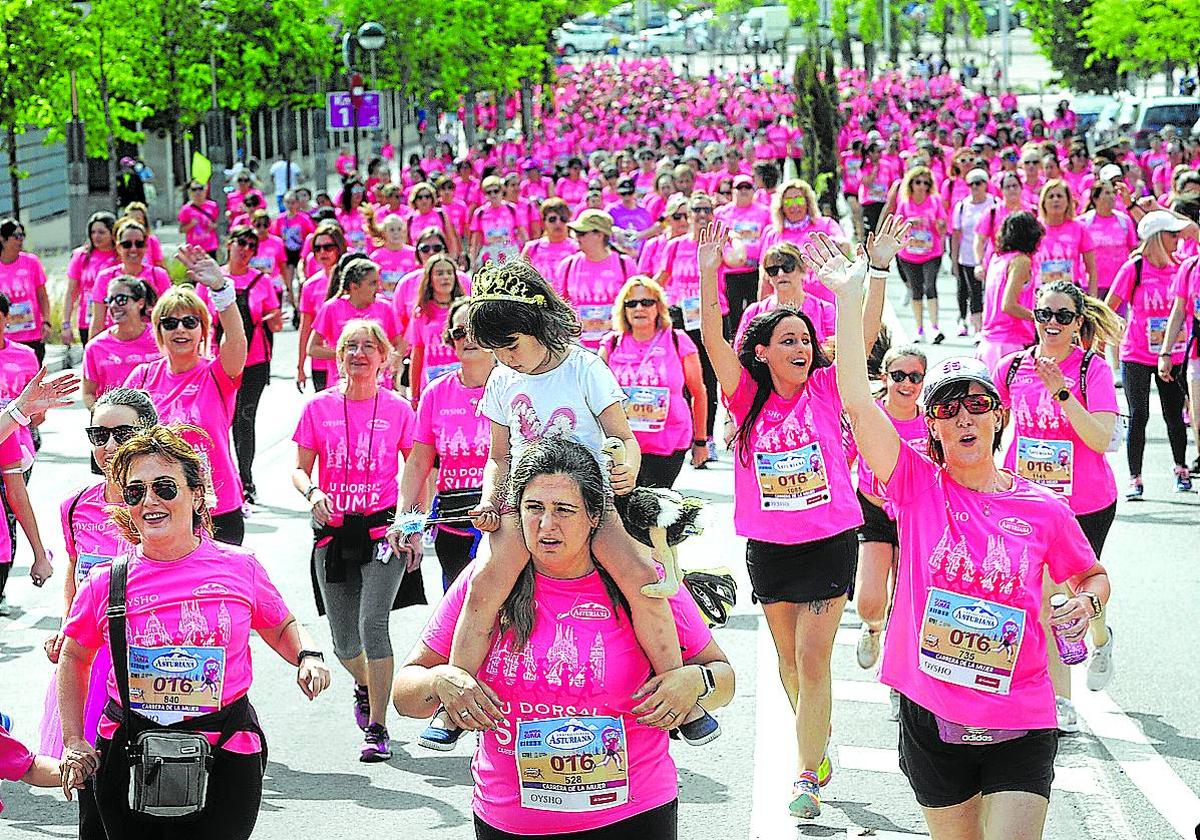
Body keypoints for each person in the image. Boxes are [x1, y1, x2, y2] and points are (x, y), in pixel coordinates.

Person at [808, 237, 1111, 840]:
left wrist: (1087, 602)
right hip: (933, 713)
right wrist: (850, 298)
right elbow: (855, 400)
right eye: (949, 409)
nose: (965, 416)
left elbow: (1091, 574)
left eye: (978, 404)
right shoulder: (915, 484)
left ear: (998, 416)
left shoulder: (1043, 507)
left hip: (1021, 713)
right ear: (933, 425)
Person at [422, 259, 716, 751]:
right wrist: (492, 501)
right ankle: (456, 699)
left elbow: (623, 436)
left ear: (538, 324)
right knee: (483, 581)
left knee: (644, 580)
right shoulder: (500, 379)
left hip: (590, 504)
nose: (506, 359)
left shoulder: (585, 367)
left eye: (511, 346)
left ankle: (681, 697)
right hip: (525, 505)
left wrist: (623, 464)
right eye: (496, 351)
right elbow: (498, 455)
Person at [391, 436, 734, 839]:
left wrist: (696, 682)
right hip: (512, 822)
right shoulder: (486, 586)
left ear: (594, 516)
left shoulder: (643, 585)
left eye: (564, 511)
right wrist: (441, 682)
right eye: (533, 508)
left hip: (633, 817)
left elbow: (723, 679)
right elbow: (404, 695)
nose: (546, 524)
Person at [696, 216, 901, 819]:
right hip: (769, 546)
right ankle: (817, 737)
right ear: (762, 351)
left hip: (830, 539)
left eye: (806, 340)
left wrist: (868, 278)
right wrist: (711, 276)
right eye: (787, 340)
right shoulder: (746, 396)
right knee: (788, 664)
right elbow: (712, 339)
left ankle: (806, 773)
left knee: (814, 659)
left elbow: (862, 340)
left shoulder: (830, 388)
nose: (801, 348)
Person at [57, 425, 331, 839]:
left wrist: (308, 656)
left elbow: (282, 624)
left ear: (196, 494)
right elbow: (74, 655)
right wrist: (74, 741)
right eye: (135, 492)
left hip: (227, 750)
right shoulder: (104, 582)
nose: (149, 500)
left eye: (165, 487)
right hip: (129, 752)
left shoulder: (240, 567)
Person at [994, 280, 1125, 731]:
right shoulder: (1012, 368)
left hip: (1085, 503)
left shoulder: (1091, 370)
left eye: (1062, 316)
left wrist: (1063, 393)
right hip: (1031, 504)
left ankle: (1102, 635)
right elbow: (995, 425)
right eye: (1044, 314)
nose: (1051, 324)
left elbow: (1101, 439)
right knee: (1047, 598)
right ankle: (1060, 701)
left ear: (1078, 323)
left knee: (1078, 594)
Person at [293, 319, 416, 762]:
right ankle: (364, 684)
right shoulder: (318, 408)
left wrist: (413, 524)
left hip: (384, 532)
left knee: (373, 624)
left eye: (369, 346)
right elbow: (299, 468)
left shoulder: (401, 409)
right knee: (345, 642)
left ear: (385, 357)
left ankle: (378, 728)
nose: (359, 353)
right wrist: (313, 492)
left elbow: (420, 471)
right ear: (339, 356)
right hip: (333, 534)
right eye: (350, 346)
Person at [39, 388, 157, 782]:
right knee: (92, 772)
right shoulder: (74, 505)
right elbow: (75, 571)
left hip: (149, 658)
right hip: (90, 657)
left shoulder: (166, 504)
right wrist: (64, 630)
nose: (108, 445)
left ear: (148, 434)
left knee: (148, 775)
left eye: (121, 434)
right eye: (98, 435)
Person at [124, 247, 249, 544]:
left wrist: (220, 289)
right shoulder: (141, 378)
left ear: (203, 330)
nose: (180, 329)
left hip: (215, 507)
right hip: (160, 508)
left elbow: (237, 338)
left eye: (190, 322)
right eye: (170, 323)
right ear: (158, 332)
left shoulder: (218, 374)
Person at [392, 298, 495, 591]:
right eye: (459, 332)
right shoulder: (437, 393)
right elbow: (418, 464)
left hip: (503, 527)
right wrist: (407, 522)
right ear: (451, 340)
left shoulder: (513, 387)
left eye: (475, 328)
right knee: (458, 624)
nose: (468, 338)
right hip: (453, 526)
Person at [851, 346, 928, 716]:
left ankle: (899, 680)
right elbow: (841, 456)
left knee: (907, 599)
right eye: (899, 376)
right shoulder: (871, 416)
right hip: (874, 507)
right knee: (869, 599)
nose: (906, 384)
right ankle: (871, 629)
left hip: (915, 512)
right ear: (885, 377)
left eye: (915, 377)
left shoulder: (930, 422)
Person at [1104, 209, 1198, 496]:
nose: (1177, 239)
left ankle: (1181, 469)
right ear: (1156, 238)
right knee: (1139, 414)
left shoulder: (1182, 266)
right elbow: (1110, 307)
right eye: (1172, 234)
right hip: (1136, 354)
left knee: (1174, 413)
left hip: (1173, 354)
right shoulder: (1134, 268)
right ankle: (1135, 477)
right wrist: (1114, 337)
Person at [599, 276, 708, 484]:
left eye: (647, 302)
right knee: (624, 507)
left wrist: (701, 441)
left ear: (659, 306)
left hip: (669, 443)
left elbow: (699, 393)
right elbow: (595, 396)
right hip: (624, 445)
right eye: (631, 303)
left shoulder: (678, 340)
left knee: (657, 507)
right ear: (623, 309)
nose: (639, 308)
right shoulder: (611, 344)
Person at [208, 225, 282, 506]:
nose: (247, 250)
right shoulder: (214, 279)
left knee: (244, 419)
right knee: (218, 421)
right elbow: (205, 322)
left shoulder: (261, 282)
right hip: (220, 361)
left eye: (253, 246)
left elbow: (273, 319)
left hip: (254, 361)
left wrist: (274, 319)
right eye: (243, 243)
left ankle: (246, 480)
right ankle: (219, 479)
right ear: (230, 243)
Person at [655, 192, 728, 461]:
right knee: (683, 379)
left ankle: (707, 438)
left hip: (712, 314)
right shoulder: (675, 246)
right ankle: (687, 435)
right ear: (688, 215)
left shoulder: (720, 241)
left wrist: (725, 247)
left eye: (706, 209)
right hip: (680, 317)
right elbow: (661, 278)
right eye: (695, 209)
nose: (700, 214)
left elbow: (738, 260)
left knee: (709, 379)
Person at [310, 255, 403, 390]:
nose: (379, 287)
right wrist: (345, 353)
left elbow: (399, 343)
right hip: (342, 385)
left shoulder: (385, 307)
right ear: (354, 287)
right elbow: (312, 348)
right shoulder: (331, 308)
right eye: (372, 283)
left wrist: (392, 358)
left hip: (379, 385)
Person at [559, 210, 638, 349]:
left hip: (616, 345)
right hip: (579, 347)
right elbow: (560, 308)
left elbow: (635, 304)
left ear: (600, 235)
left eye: (581, 233)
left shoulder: (625, 264)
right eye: (575, 233)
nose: (576, 238)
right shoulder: (567, 265)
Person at [976, 211, 1042, 371]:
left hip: (988, 343)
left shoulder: (996, 259)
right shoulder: (1021, 261)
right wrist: (1039, 317)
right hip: (1010, 344)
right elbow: (1009, 305)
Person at [82, 278, 160, 408]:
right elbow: (88, 393)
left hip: (160, 421)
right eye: (109, 300)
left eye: (121, 299)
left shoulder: (160, 337)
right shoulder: (95, 347)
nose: (113, 306)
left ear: (140, 303)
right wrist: (103, 417)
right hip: (116, 422)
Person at [87, 219, 171, 339]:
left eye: (139, 244)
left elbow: (168, 316)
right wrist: (92, 353)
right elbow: (97, 322)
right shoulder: (105, 277)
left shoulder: (158, 275)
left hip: (151, 346)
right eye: (127, 244)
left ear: (146, 246)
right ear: (118, 247)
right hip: (116, 346)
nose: (133, 249)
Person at [893, 166, 949, 343]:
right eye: (918, 182)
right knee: (916, 289)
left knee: (930, 286)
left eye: (926, 183)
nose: (922, 186)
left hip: (932, 252)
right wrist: (910, 222)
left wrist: (938, 224)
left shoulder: (934, 201)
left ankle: (934, 327)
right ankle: (919, 329)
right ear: (911, 184)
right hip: (909, 254)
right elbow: (897, 224)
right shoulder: (905, 203)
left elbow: (943, 223)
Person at [715, 174, 772, 330]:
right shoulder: (721, 213)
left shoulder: (764, 212)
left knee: (756, 308)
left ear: (754, 191)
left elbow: (769, 237)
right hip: (732, 271)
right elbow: (719, 237)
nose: (744, 190)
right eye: (740, 187)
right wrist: (729, 257)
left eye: (748, 187)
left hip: (755, 270)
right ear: (733, 191)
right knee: (734, 311)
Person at [297, 222, 348, 392]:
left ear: (339, 247)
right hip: (321, 362)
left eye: (328, 247)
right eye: (317, 248)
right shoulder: (310, 286)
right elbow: (305, 328)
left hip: (351, 361)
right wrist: (300, 366)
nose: (322, 252)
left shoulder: (352, 281)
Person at [951, 169, 998, 338]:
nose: (975, 187)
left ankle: (984, 324)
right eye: (971, 184)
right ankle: (974, 326)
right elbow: (956, 235)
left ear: (986, 184)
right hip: (968, 256)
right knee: (972, 291)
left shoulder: (994, 204)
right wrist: (954, 260)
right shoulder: (962, 206)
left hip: (991, 256)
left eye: (979, 183)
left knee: (989, 291)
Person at [0, 218, 53, 363]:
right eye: (16, 236)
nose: (21, 240)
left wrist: (46, 322)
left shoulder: (32, 262)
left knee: (33, 378)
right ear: (3, 239)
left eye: (22, 235)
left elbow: (42, 296)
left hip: (32, 335)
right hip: (6, 339)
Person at [63, 212, 119, 347]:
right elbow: (71, 292)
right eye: (93, 232)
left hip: (116, 321)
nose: (96, 236)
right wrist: (66, 323)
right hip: (87, 321)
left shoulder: (121, 255)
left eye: (101, 232)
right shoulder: (81, 256)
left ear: (112, 233)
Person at [1035, 179, 1098, 296]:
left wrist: (1092, 297)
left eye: (1059, 196)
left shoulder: (1079, 228)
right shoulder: (1034, 228)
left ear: (1068, 201)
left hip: (1070, 293)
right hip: (1041, 294)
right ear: (1043, 202)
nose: (1055, 200)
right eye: (1051, 196)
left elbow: (1092, 270)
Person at [520, 197, 579, 293]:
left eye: (563, 219)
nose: (558, 223)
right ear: (543, 223)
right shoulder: (531, 248)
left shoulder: (577, 248)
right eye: (552, 219)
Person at [469, 175, 527, 269]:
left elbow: (523, 235)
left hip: (510, 253)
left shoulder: (511, 209)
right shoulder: (480, 213)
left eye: (496, 191)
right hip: (489, 257)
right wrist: (473, 260)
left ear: (502, 191)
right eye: (489, 192)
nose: (493, 195)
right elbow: (475, 241)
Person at [178, 181, 220, 257]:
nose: (198, 192)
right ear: (190, 192)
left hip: (210, 246)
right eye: (194, 189)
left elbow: (216, 223)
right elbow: (181, 230)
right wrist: (191, 224)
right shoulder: (186, 209)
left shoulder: (213, 205)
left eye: (200, 189)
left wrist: (212, 226)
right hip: (194, 248)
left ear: (205, 190)